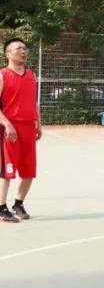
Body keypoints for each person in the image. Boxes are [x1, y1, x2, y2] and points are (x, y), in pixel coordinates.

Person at [0, 37, 42, 223]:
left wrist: (38, 123)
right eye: (18, 48)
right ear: (8, 54)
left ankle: (18, 204)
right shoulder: (2, 75)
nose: (23, 51)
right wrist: (7, 124)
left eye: (25, 48)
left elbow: (34, 102)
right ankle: (1, 208)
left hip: (28, 128)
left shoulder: (32, 75)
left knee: (28, 171)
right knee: (7, 171)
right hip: (9, 129)